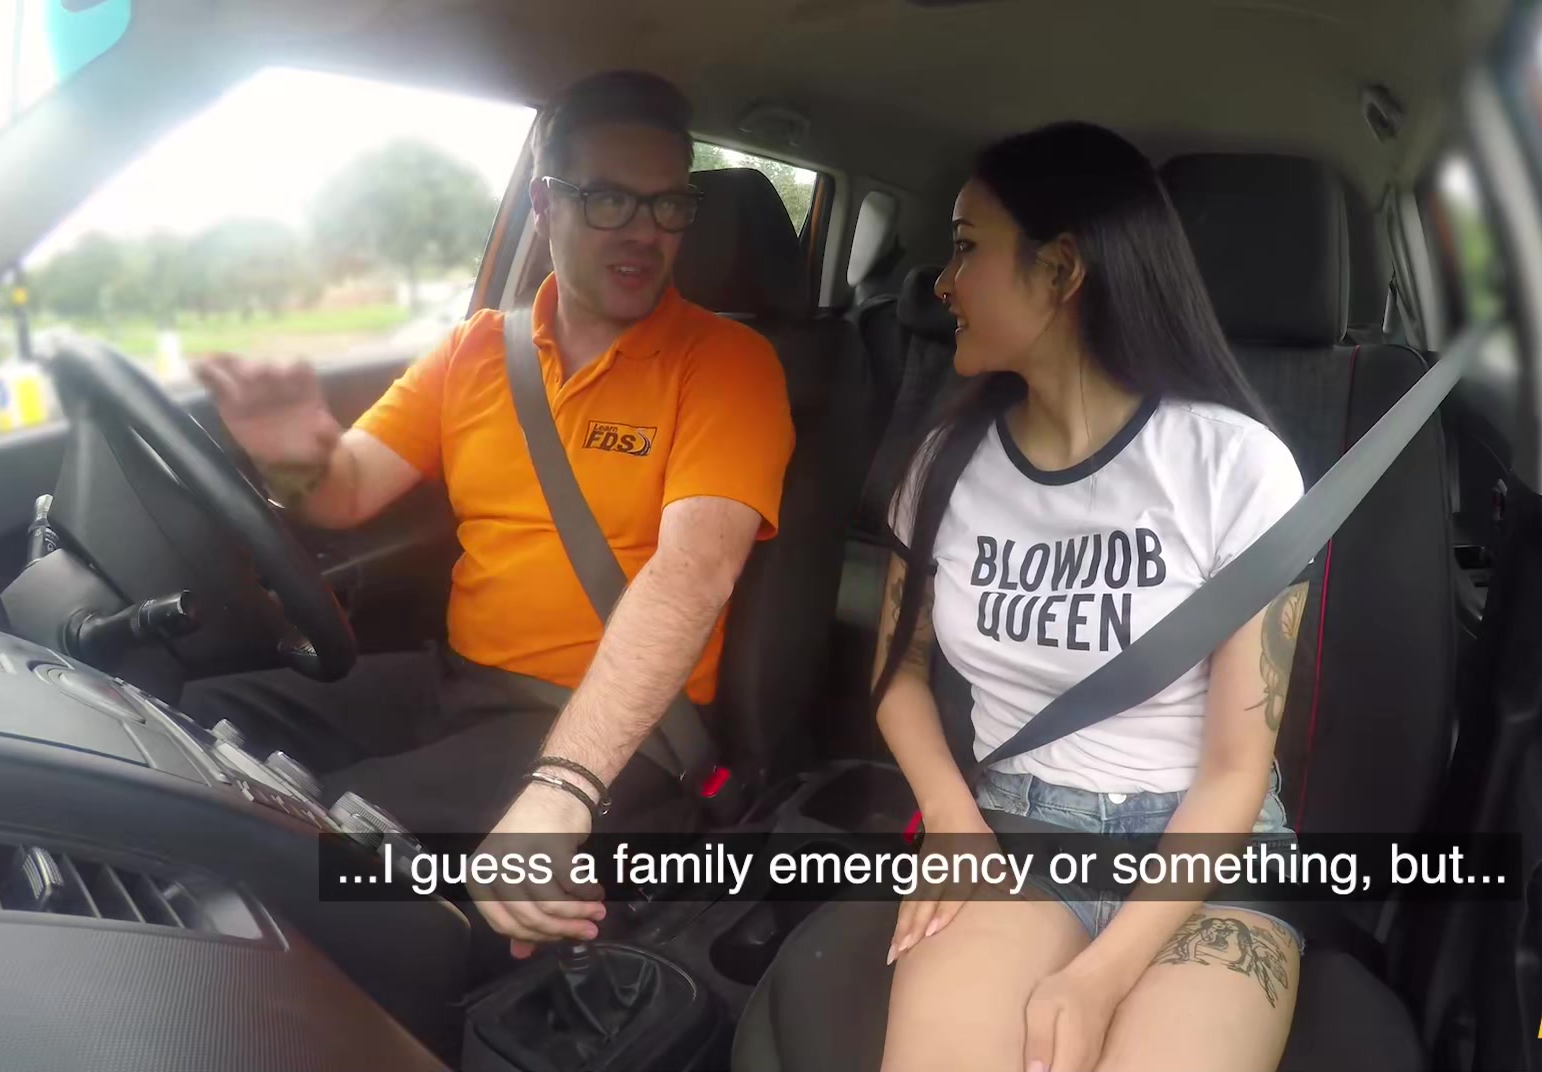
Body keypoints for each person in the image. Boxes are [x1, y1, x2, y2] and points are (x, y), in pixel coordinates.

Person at [185, 70, 794, 954]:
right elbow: (346, 492)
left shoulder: (728, 363)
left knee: (324, 854)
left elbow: (693, 571)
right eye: (608, 200)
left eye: (668, 205)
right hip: (456, 683)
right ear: (544, 205)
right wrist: (287, 447)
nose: (644, 232)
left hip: (614, 727)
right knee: (191, 719)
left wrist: (563, 787)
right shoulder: (476, 350)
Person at [873, 123, 1309, 1072]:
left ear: (1061, 269)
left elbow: (1236, 770)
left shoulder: (1237, 466)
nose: (943, 283)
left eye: (966, 248)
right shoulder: (942, 468)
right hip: (1021, 826)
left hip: (1210, 850)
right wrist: (951, 817)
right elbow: (897, 675)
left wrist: (1100, 979)